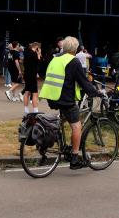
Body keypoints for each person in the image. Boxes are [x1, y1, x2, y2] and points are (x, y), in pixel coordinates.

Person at [39, 36, 104, 169]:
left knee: (62, 121)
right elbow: (83, 82)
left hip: (52, 96)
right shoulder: (73, 62)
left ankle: (57, 144)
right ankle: (74, 158)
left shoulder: (56, 59)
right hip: (65, 99)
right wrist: (96, 92)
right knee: (76, 126)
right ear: (75, 49)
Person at [21, 42, 41, 114]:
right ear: (36, 47)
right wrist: (39, 54)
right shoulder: (34, 54)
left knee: (27, 92)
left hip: (26, 74)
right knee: (35, 93)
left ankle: (26, 109)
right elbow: (38, 63)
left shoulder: (26, 53)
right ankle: (35, 110)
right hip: (32, 75)